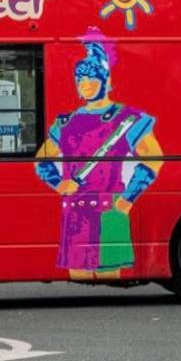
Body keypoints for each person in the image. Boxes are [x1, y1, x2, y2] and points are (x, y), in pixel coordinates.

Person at [34, 31, 162, 279]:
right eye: (79, 78)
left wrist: (128, 199)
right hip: (75, 211)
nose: (84, 83)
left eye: (91, 78)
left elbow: (154, 158)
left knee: (109, 274)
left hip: (110, 207)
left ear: (104, 80)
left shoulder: (128, 118)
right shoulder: (66, 122)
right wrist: (60, 184)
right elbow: (42, 160)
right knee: (78, 274)